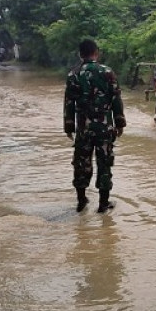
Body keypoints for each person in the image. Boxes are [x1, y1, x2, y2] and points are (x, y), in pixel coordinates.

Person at [64, 39, 126, 213]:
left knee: (81, 163)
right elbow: (116, 99)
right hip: (104, 127)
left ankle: (81, 201)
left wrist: (69, 127)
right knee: (104, 163)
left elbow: (68, 103)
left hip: (83, 128)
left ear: (80, 54)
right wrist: (120, 122)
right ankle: (103, 204)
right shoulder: (107, 72)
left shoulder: (73, 74)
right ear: (96, 52)